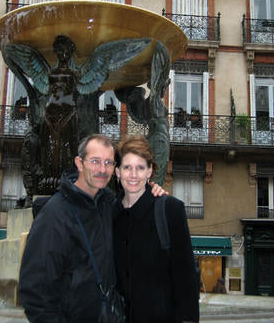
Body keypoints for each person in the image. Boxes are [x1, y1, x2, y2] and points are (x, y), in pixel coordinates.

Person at [18, 133, 165, 323]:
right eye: (95, 161)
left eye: (108, 162)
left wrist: (152, 193)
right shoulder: (54, 215)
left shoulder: (110, 205)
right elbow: (34, 291)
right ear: (79, 163)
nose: (102, 169)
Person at [113, 135, 200, 323]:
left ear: (150, 171)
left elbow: (186, 275)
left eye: (140, 167)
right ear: (117, 171)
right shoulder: (109, 213)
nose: (133, 175)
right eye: (127, 167)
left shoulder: (170, 209)